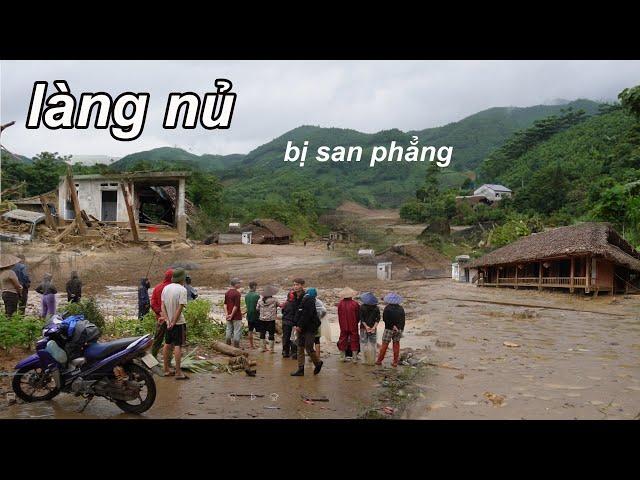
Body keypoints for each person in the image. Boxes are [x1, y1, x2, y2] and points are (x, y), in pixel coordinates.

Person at [161, 268, 189, 380]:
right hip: (178, 323)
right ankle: (178, 372)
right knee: (178, 345)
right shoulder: (182, 290)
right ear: (182, 278)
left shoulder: (166, 288)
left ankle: (166, 369)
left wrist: (167, 320)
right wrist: (173, 321)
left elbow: (162, 306)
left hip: (168, 322)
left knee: (167, 344)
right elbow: (180, 308)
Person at [290, 287, 323, 376]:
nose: (295, 287)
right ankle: (301, 369)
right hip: (302, 327)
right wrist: (296, 324)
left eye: (297, 285)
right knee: (300, 347)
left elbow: (307, 315)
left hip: (309, 328)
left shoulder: (308, 300)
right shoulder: (297, 299)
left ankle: (318, 363)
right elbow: (296, 312)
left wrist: (299, 325)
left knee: (308, 347)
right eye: (294, 285)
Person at [376, 292, 405, 368]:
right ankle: (395, 362)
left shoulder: (387, 308)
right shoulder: (401, 308)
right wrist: (400, 328)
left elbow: (385, 319)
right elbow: (403, 320)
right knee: (396, 344)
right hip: (399, 329)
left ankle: (379, 360)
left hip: (389, 329)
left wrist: (392, 326)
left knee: (384, 344)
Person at [150, 268, 174, 358]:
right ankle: (168, 361)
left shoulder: (157, 287)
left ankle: (153, 357)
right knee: (170, 341)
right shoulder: (174, 289)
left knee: (157, 339)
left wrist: (160, 313)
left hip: (160, 318)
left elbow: (152, 303)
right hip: (172, 319)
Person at [337, 287, 360, 362]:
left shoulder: (340, 304)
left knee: (342, 339)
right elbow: (358, 315)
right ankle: (354, 358)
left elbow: (339, 314)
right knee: (354, 340)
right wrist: (356, 321)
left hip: (343, 325)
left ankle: (342, 357)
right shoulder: (355, 304)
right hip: (353, 324)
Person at [359, 292, 380, 365]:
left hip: (363, 328)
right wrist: (374, 327)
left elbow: (361, 319)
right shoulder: (376, 308)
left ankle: (364, 360)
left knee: (363, 344)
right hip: (373, 328)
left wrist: (366, 327)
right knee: (373, 344)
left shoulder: (362, 307)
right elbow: (378, 319)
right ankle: (372, 361)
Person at [256, 285, 278, 353]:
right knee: (271, 334)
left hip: (262, 319)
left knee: (262, 333)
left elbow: (257, 309)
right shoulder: (274, 300)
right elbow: (279, 305)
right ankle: (271, 349)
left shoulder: (260, 300)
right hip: (271, 320)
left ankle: (263, 348)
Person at [224, 278, 243, 348]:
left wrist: (227, 314)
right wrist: (232, 315)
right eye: (239, 283)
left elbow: (225, 304)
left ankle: (227, 345)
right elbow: (236, 306)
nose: (240, 284)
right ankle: (236, 346)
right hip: (236, 316)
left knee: (228, 329)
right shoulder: (237, 294)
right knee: (236, 331)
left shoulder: (227, 293)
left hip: (228, 315)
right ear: (235, 284)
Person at [280, 290, 299, 358]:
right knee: (294, 338)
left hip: (285, 322)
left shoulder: (285, 303)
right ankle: (294, 353)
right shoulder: (297, 304)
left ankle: (285, 352)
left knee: (286, 337)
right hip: (294, 323)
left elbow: (282, 312)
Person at [244, 281, 260, 349]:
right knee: (260, 331)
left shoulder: (246, 296)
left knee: (250, 331)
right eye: (256, 286)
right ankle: (262, 346)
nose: (256, 288)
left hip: (249, 315)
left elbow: (247, 306)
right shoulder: (257, 295)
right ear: (254, 286)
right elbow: (259, 306)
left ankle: (251, 346)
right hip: (256, 315)